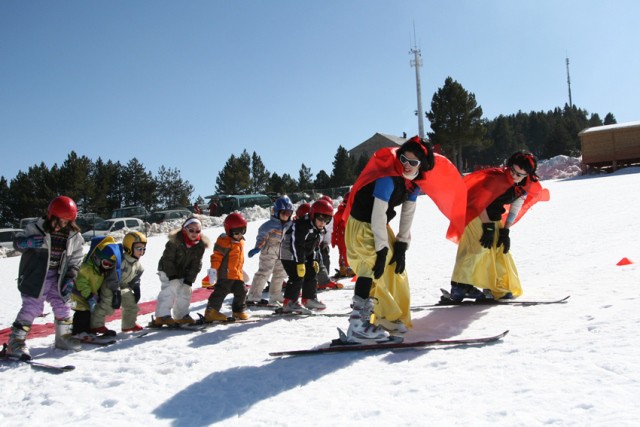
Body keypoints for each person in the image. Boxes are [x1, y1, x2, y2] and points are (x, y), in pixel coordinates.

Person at [342, 136, 466, 342]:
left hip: (379, 226)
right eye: (403, 160)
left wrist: (401, 244)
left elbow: (408, 213)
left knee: (393, 270)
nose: (406, 166)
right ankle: (357, 325)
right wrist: (381, 249)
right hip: (363, 225)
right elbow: (378, 213)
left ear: (422, 166)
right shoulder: (387, 178)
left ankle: (385, 318)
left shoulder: (413, 184)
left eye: (413, 162)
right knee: (371, 266)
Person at [448, 151, 550, 301]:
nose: (515, 176)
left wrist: (505, 231)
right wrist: (487, 226)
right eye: (513, 171)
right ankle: (460, 286)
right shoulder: (496, 179)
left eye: (520, 174)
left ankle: (496, 286)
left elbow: (516, 206)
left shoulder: (526, 184)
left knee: (500, 249)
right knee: (479, 247)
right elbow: (477, 201)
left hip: (493, 215)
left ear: (528, 174)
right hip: (474, 213)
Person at [7, 196, 84, 360]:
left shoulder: (73, 236)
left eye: (67, 222)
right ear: (51, 216)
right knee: (32, 307)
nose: (63, 225)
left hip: (58, 276)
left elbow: (77, 258)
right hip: (37, 276)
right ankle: (16, 341)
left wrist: (71, 276)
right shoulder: (36, 227)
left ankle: (63, 337)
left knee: (63, 304)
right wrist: (26, 243)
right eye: (60, 221)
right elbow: (16, 242)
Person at [279, 199, 334, 314]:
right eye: (320, 219)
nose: (323, 223)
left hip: (302, 254)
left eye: (327, 220)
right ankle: (289, 302)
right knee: (297, 276)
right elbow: (296, 244)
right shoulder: (302, 225)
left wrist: (313, 259)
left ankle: (309, 298)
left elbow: (315, 247)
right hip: (289, 253)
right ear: (313, 215)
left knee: (311, 270)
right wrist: (299, 262)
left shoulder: (318, 229)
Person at [153, 217, 210, 326]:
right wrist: (173, 277)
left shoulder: (199, 245)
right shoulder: (175, 241)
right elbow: (167, 259)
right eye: (191, 230)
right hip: (167, 270)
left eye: (197, 231)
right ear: (184, 229)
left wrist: (189, 281)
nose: (194, 233)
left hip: (183, 272)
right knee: (170, 289)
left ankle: (181, 315)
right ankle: (162, 315)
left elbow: (196, 264)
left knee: (185, 291)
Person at [90, 231, 147, 334]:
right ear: (129, 247)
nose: (141, 251)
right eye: (138, 248)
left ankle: (129, 324)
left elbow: (136, 277)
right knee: (106, 305)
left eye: (143, 249)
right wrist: (115, 290)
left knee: (131, 303)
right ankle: (96, 325)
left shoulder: (138, 265)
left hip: (123, 288)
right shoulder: (121, 260)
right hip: (110, 286)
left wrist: (136, 287)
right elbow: (112, 275)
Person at [245, 196, 293, 306]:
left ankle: (275, 296)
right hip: (269, 250)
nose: (286, 215)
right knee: (264, 272)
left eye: (289, 213)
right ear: (276, 212)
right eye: (284, 212)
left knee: (280, 274)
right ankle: (252, 296)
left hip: (283, 252)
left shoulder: (290, 225)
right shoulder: (269, 225)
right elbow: (262, 236)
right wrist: (257, 247)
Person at [71, 236, 122, 339]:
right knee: (82, 313)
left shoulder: (100, 269)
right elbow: (81, 283)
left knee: (90, 312)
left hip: (89, 295)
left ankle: (89, 329)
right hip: (77, 296)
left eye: (110, 265)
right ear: (97, 258)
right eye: (106, 263)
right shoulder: (86, 268)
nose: (107, 267)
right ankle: (78, 332)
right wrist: (89, 296)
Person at [202, 213, 250, 322]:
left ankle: (238, 311)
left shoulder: (240, 241)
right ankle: (211, 311)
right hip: (225, 274)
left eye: (243, 231)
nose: (240, 235)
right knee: (221, 292)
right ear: (229, 231)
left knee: (242, 291)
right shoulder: (224, 242)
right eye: (236, 232)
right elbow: (216, 257)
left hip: (237, 274)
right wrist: (213, 271)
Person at [332, 192, 355, 278]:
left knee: (352, 251)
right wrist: (333, 239)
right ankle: (344, 268)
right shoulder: (339, 214)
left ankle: (350, 267)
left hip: (351, 235)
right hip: (342, 236)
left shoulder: (354, 212)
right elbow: (333, 228)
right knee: (343, 251)